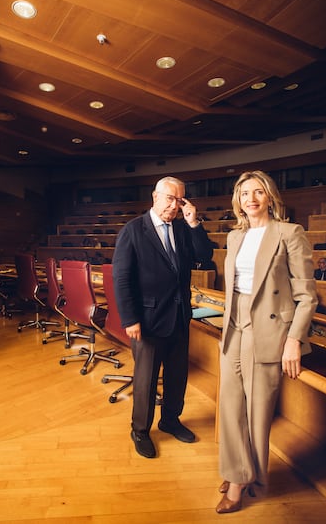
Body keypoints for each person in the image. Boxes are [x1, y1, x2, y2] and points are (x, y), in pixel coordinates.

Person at [216, 170, 317, 514]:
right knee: (230, 407)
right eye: (245, 194)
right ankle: (237, 473)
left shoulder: (290, 233)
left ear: (270, 197)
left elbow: (307, 295)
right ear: (238, 201)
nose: (251, 199)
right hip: (234, 327)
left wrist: (293, 341)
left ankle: (248, 479)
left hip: (269, 329)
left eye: (258, 192)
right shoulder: (234, 237)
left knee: (257, 412)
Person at [112, 176, 214, 458]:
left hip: (179, 316)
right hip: (147, 321)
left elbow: (205, 256)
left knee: (177, 376)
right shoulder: (133, 231)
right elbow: (121, 280)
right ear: (155, 197)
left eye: (179, 200)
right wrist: (130, 319)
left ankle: (170, 420)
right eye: (169, 198)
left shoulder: (183, 228)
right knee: (145, 380)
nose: (174, 205)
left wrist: (194, 223)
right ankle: (140, 430)